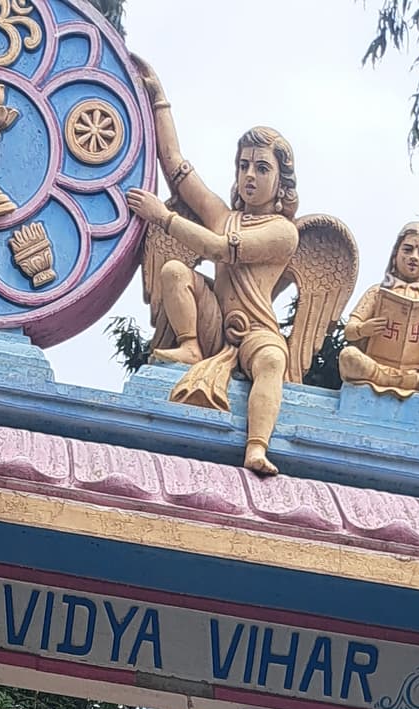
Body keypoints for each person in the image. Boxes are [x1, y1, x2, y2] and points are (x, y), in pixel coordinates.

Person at [127, 61, 300, 477]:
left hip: (257, 333)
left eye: (262, 168)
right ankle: (190, 345)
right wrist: (159, 100)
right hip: (214, 325)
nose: (250, 176)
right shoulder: (225, 214)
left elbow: (222, 251)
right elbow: (175, 165)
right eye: (244, 166)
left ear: (281, 181)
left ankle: (256, 447)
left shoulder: (282, 232)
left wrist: (162, 218)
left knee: (273, 361)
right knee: (173, 270)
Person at [339, 219, 419, 400]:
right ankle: (384, 378)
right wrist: (363, 329)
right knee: (349, 356)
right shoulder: (377, 292)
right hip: (376, 367)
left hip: (418, 376)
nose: (414, 257)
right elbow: (349, 331)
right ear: (396, 253)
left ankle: (412, 382)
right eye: (408, 249)